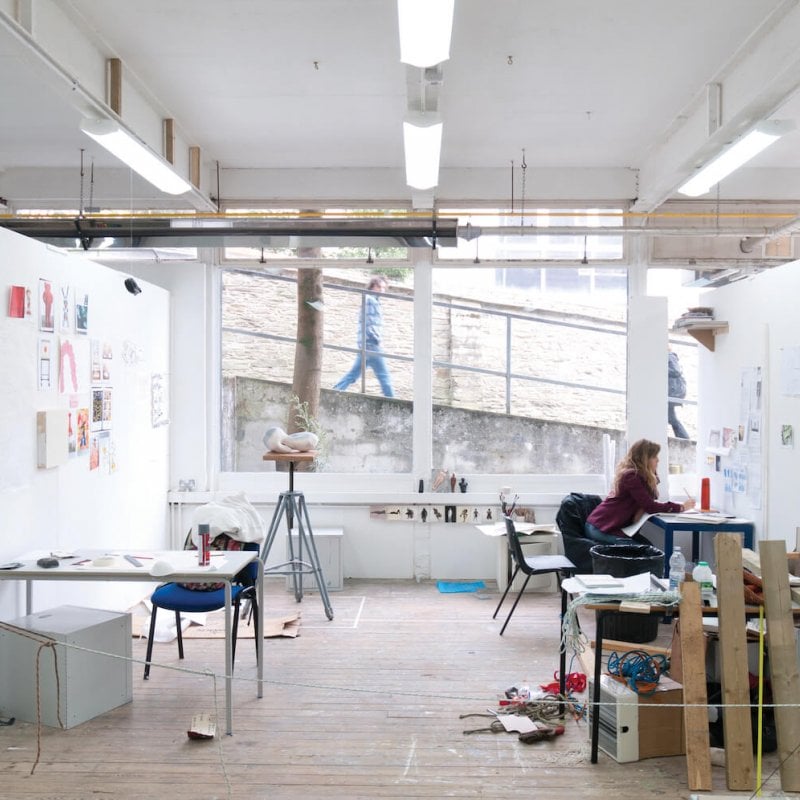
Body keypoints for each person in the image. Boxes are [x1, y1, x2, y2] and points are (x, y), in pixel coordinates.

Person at [585, 438, 695, 544]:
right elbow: (650, 506)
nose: (658, 460)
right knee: (642, 552)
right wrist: (681, 507)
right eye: (654, 456)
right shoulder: (631, 476)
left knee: (649, 548)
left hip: (608, 526)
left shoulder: (638, 476)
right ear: (644, 459)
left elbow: (651, 499)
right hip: (600, 527)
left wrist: (652, 475)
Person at [333, 275, 394, 397]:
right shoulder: (370, 300)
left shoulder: (372, 300)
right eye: (379, 287)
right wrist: (376, 339)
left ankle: (335, 391)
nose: (382, 290)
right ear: (373, 286)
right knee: (384, 376)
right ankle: (394, 402)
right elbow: (369, 321)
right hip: (371, 344)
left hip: (366, 344)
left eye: (383, 288)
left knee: (354, 374)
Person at [668, 349, 689, 439]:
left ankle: (685, 439)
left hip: (672, 393)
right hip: (669, 393)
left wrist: (660, 367)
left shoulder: (670, 356)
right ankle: (684, 439)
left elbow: (676, 371)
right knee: (672, 419)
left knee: (672, 419)